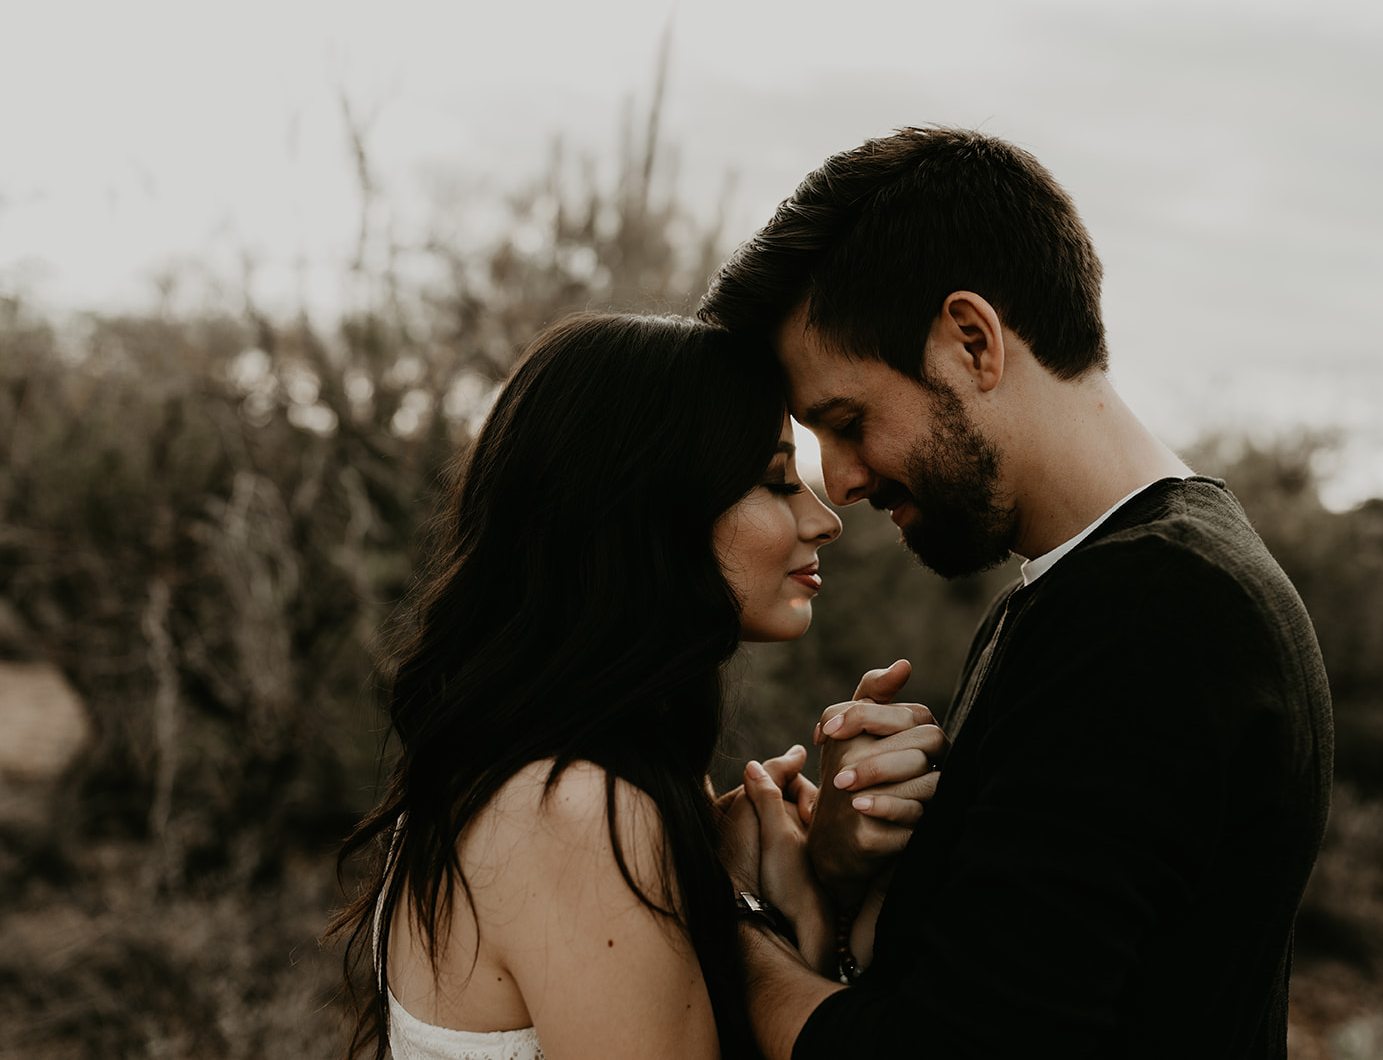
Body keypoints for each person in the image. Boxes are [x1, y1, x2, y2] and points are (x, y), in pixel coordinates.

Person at [701, 127, 1336, 1059]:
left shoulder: (1158, 613)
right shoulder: (1083, 592)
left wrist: (721, 918)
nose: (838, 482)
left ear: (972, 340)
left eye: (848, 420)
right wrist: (848, 871)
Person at [324, 313, 935, 1060]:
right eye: (777, 479)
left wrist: (825, 880)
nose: (824, 518)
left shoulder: (549, 776)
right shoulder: (572, 811)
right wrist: (744, 908)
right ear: (649, 509)